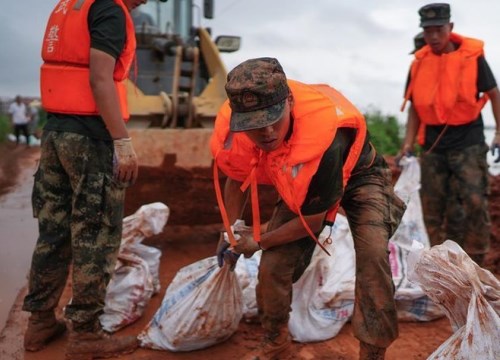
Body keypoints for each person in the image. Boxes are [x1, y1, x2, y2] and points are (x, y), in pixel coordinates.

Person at [211, 57, 406, 360]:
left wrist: (259, 240)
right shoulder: (239, 128)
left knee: (372, 256)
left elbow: (314, 221)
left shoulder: (326, 137)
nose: (266, 133)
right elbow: (236, 178)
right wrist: (231, 228)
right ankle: (275, 340)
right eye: (255, 126)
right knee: (274, 263)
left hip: (361, 179)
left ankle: (372, 350)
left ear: (289, 101)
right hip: (304, 184)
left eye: (273, 120)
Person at [20, 0, 166, 358]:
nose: (147, 1)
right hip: (90, 138)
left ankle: (39, 322)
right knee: (97, 235)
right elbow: (99, 77)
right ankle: (85, 334)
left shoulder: (71, 7)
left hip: (56, 132)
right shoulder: (109, 10)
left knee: (53, 233)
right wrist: (123, 141)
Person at [400, 3, 500, 266]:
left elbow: (494, 94)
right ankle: (435, 266)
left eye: (438, 29)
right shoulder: (419, 63)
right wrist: (408, 143)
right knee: (432, 208)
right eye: (428, 30)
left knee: (475, 201)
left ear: (450, 28)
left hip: (468, 142)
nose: (433, 36)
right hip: (433, 146)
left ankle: (478, 263)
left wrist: (499, 132)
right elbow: (414, 108)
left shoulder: (473, 58)